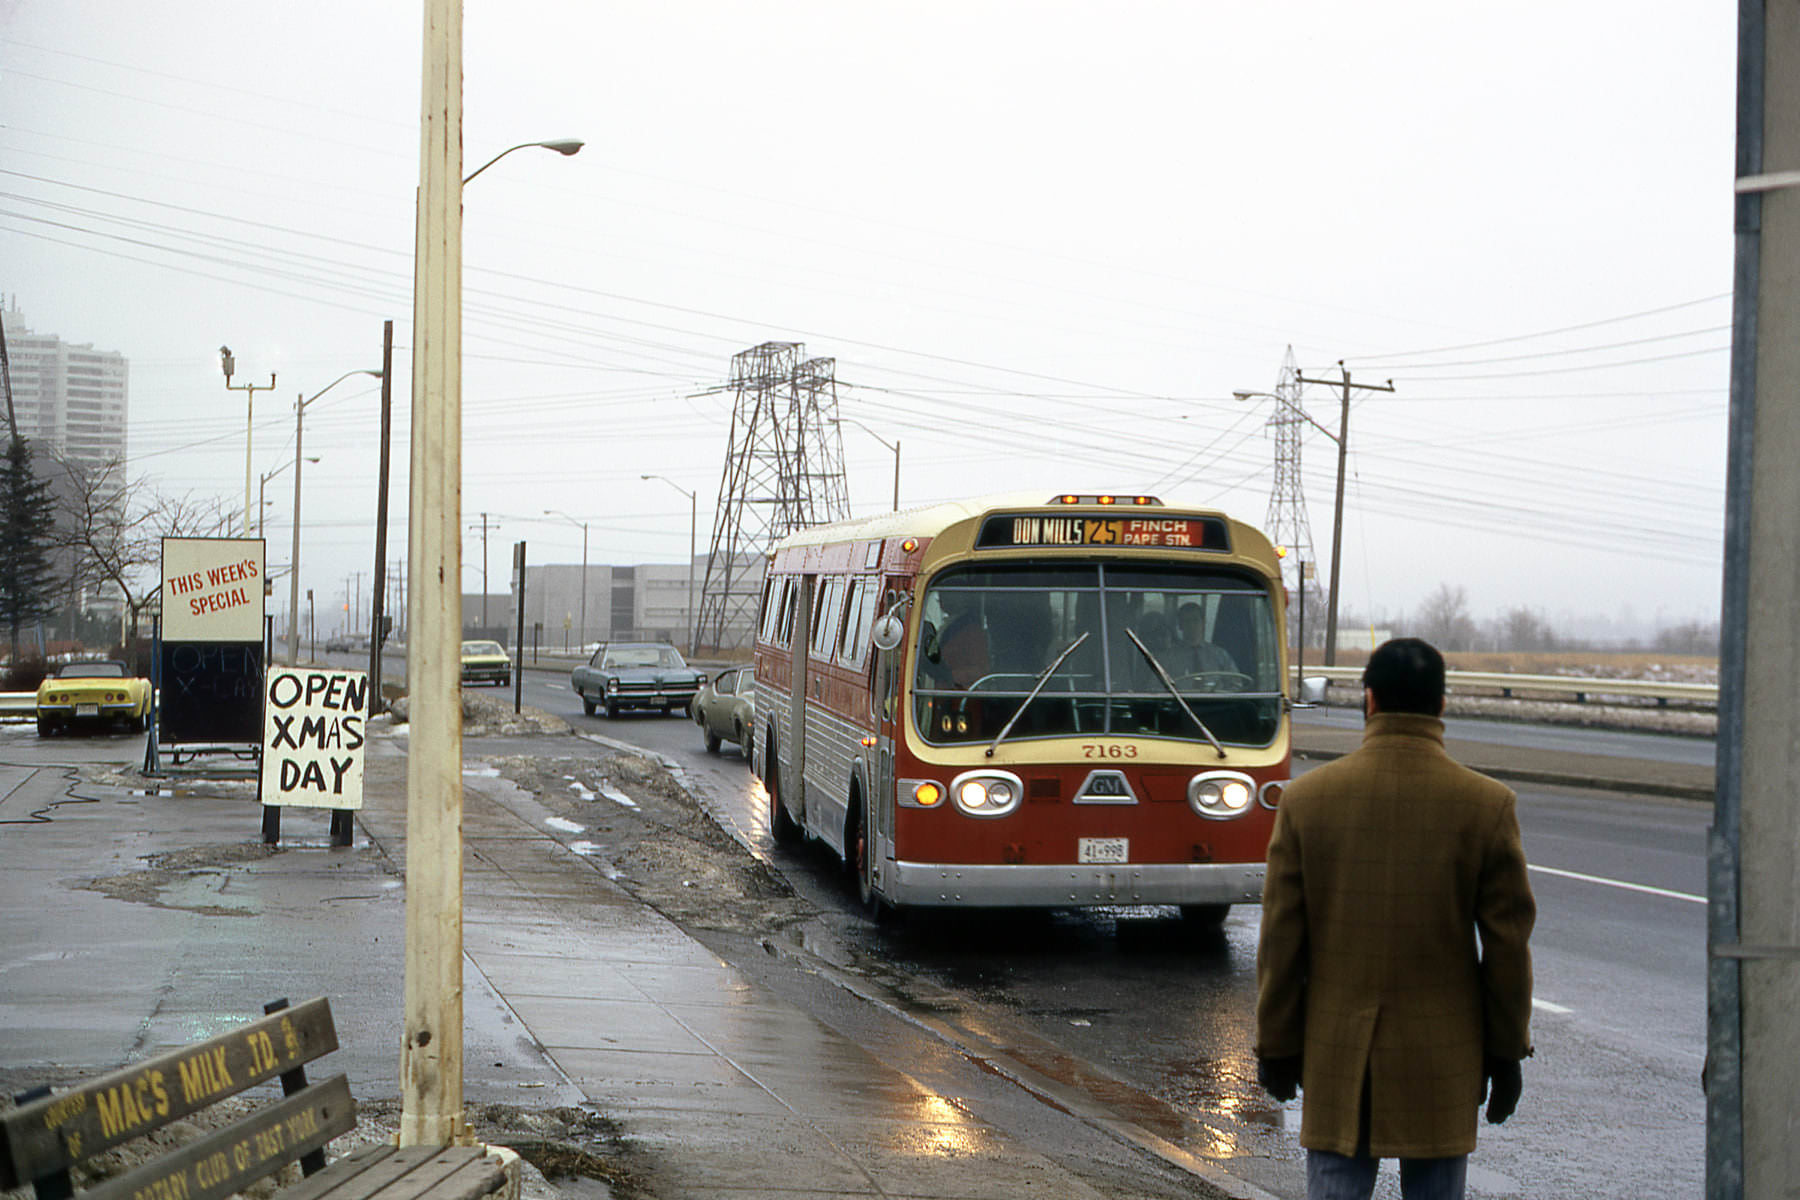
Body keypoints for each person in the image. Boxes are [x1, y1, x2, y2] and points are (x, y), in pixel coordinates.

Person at [1254, 637, 1535, 1200]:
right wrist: (1505, 1054)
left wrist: (1276, 1044)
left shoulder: (1308, 800)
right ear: (1442, 706)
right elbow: (1506, 949)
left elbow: (1283, 941)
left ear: (1370, 701)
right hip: (1443, 1061)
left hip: (1339, 1058)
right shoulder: (1486, 805)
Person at [1175, 602, 1238, 674]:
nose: (1191, 625)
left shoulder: (1220, 655)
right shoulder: (1169, 658)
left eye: (1195, 620)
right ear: (1180, 625)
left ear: (1203, 622)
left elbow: (1235, 682)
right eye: (1186, 621)